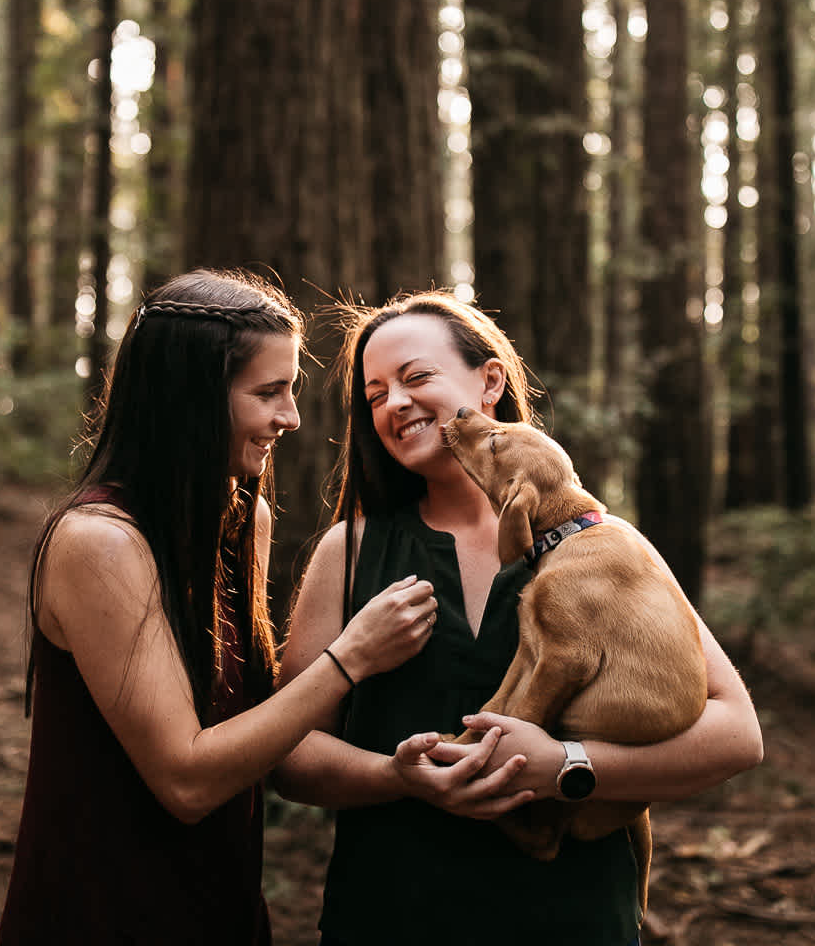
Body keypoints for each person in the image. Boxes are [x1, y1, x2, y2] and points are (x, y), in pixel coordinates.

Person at [274, 291, 764, 945]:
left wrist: (566, 765)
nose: (395, 403)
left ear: (490, 381)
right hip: (393, 912)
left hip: (573, 921)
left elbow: (737, 735)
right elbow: (288, 753)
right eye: (375, 395)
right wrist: (396, 777)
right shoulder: (351, 551)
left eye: (417, 377)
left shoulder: (602, 544)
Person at [0, 269, 439, 946]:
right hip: (104, 913)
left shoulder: (242, 519)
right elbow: (186, 781)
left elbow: (253, 724)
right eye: (268, 393)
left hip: (221, 902)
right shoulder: (100, 544)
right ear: (192, 399)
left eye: (291, 389)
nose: (290, 417)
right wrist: (350, 657)